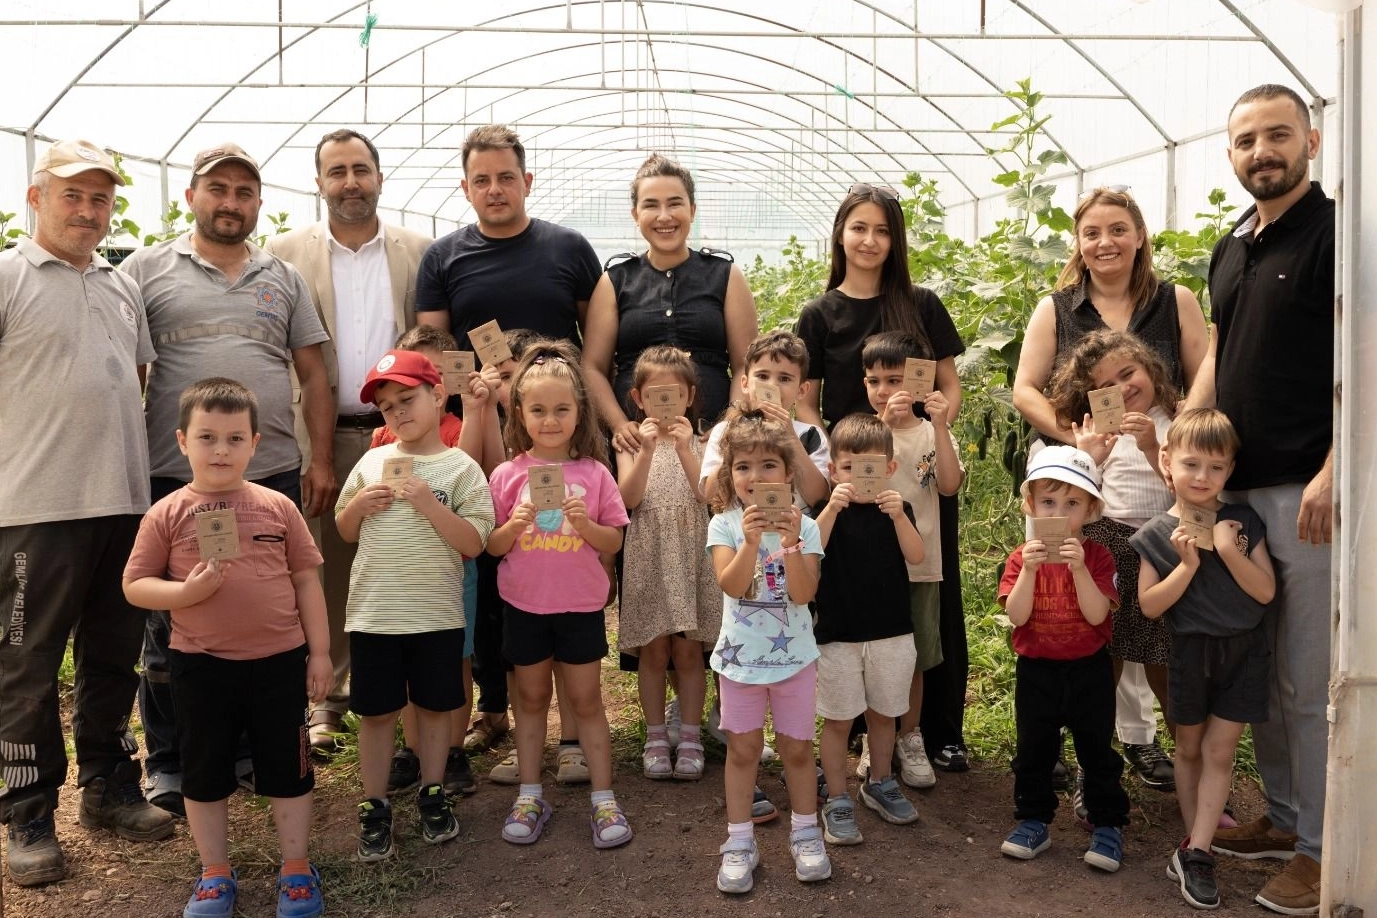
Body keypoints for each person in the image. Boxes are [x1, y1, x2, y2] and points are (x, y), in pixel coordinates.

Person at [121, 142, 333, 817]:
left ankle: (245, 750)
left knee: (261, 614)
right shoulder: (145, 270)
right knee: (172, 625)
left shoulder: (282, 278)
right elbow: (128, 374)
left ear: (259, 203)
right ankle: (170, 760)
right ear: (191, 197)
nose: (231, 202)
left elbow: (313, 374)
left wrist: (320, 458)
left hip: (269, 476)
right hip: (173, 479)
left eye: (244, 192)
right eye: (218, 189)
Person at [0, 138, 174, 886]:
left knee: (112, 655)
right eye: (72, 194)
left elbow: (134, 378)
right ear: (35, 198)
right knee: (27, 664)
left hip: (124, 502)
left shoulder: (119, 284)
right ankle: (28, 811)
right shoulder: (8, 276)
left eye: (100, 198)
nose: (87, 210)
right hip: (33, 508)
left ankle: (108, 785)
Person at [1187, 83, 1334, 916]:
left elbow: (1367, 356)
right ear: (1230, 154)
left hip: (1305, 494)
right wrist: (1185, 436)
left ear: (1310, 141)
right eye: (1245, 140)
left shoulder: (1337, 235)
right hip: (1237, 493)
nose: (1260, 152)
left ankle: (1321, 849)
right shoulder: (1232, 243)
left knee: (1305, 679)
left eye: (1276, 135)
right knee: (1260, 667)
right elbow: (1220, 348)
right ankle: (1282, 816)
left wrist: (1334, 470)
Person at [1014, 183, 1208, 790]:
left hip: (1157, 484)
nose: (1106, 242)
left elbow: (1204, 374)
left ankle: (1143, 743)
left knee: (1155, 633)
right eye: (1092, 232)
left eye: (1118, 229)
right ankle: (1074, 745)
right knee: (1084, 621)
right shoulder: (1057, 307)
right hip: (1084, 480)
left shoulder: (1174, 300)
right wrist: (1073, 445)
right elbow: (1025, 388)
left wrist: (1181, 436)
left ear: (1140, 235)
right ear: (1078, 242)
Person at [123, 379, 331, 918]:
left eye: (235, 438)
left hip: (280, 663)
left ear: (255, 444)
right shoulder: (166, 513)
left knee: (290, 769)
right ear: (182, 440)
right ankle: (215, 872)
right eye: (207, 437)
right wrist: (184, 594)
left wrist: (321, 653)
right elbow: (135, 585)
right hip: (200, 666)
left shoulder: (278, 506)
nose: (221, 450)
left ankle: (296, 868)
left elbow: (306, 580)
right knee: (204, 772)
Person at [263, 128, 434, 754]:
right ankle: (328, 697)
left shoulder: (418, 251)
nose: (350, 182)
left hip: (401, 434)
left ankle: (405, 691)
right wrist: (315, 453)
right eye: (337, 172)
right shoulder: (283, 254)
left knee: (405, 555)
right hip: (325, 432)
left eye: (361, 169)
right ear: (319, 183)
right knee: (327, 562)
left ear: (380, 178)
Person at [794, 182, 971, 774]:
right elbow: (807, 400)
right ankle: (852, 726)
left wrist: (927, 427)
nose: (869, 241)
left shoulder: (920, 305)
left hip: (913, 473)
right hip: (850, 482)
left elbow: (950, 387)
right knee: (852, 594)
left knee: (922, 602)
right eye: (859, 228)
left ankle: (927, 732)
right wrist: (834, 456)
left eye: (882, 230)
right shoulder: (820, 314)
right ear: (840, 235)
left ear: (895, 240)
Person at [335, 350, 495, 861]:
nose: (398, 412)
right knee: (377, 714)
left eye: (407, 399)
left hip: (436, 616)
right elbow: (343, 528)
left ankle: (433, 791)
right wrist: (359, 507)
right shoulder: (370, 463)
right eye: (387, 407)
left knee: (434, 709)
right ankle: (374, 805)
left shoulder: (462, 467)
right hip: (375, 616)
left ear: (438, 395)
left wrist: (428, 503)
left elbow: (474, 542)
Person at [484, 341, 632, 849]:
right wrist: (513, 525)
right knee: (530, 699)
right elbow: (492, 546)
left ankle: (604, 798)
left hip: (580, 606)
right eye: (539, 410)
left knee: (586, 700)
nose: (550, 420)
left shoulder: (595, 473)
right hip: (525, 605)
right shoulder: (506, 475)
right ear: (520, 413)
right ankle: (530, 795)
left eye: (562, 409)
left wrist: (585, 525)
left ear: (579, 412)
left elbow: (614, 540)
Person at [1132, 409, 1277, 909]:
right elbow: (1150, 605)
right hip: (1191, 653)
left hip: (1244, 652)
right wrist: (1189, 565)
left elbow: (1264, 592)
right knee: (1189, 748)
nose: (1202, 477)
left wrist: (1229, 550)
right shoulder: (1156, 533)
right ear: (1167, 462)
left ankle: (1197, 852)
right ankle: (1195, 841)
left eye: (1216, 467)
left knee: (1219, 751)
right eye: (1191, 464)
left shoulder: (1244, 523)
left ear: (1230, 469)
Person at [1046, 329, 1181, 809]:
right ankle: (1094, 769)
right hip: (1109, 546)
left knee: (1167, 665)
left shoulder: (1178, 421)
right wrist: (1089, 457)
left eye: (1129, 373)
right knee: (1102, 664)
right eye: (1106, 385)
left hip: (1165, 549)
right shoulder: (1097, 433)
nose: (1122, 388)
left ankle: (1193, 773)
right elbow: (1079, 504)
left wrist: (1151, 446)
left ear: (1150, 369)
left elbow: (1186, 490)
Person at [369, 325, 493, 799]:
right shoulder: (383, 436)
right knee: (406, 663)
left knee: (454, 659)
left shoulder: (458, 429)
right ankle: (414, 749)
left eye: (435, 374)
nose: (403, 407)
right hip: (400, 571)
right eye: (393, 398)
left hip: (450, 567)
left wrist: (478, 410)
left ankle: (452, 750)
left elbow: (468, 471)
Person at [706, 414, 828, 894]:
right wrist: (752, 541)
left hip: (795, 662)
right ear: (730, 474)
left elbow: (803, 594)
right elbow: (732, 584)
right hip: (740, 663)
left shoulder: (808, 528)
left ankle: (806, 833)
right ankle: (740, 841)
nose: (755, 477)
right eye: (743, 467)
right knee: (743, 750)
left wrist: (791, 544)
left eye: (768, 465)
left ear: (789, 473)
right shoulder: (724, 525)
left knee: (797, 749)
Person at [997, 446, 1129, 873]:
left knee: (1096, 749)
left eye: (1072, 503)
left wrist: (1079, 570)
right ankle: (1033, 821)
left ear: (1091, 510)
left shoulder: (1099, 557)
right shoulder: (1021, 557)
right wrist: (1030, 571)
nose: (1059, 513)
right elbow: (1017, 616)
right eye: (1049, 502)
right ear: (1031, 505)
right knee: (1034, 749)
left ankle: (1107, 823)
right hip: (1037, 669)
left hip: (1089, 669)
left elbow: (1096, 614)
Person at [583, 153, 758, 453]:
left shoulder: (726, 275)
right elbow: (593, 367)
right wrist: (619, 425)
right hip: (637, 446)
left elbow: (746, 364)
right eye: (651, 205)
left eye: (675, 203)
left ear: (692, 210)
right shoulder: (615, 281)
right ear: (635, 214)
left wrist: (729, 423)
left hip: (712, 441)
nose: (664, 216)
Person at [813, 414, 926, 844]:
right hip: (837, 635)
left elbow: (916, 556)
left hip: (891, 632)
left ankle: (880, 781)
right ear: (833, 470)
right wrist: (831, 508)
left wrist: (899, 517)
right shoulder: (824, 513)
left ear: (889, 469)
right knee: (838, 720)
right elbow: (809, 552)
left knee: (883, 714)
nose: (859, 477)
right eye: (848, 467)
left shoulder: (898, 509)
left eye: (871, 468)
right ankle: (837, 797)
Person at [861, 332, 964, 789]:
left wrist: (940, 425)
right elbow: (856, 481)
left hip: (921, 568)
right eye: (874, 381)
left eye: (895, 380)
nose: (885, 391)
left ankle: (911, 735)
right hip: (870, 568)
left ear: (919, 383)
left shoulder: (931, 433)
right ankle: (874, 737)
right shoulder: (863, 433)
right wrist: (882, 427)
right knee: (871, 655)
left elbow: (948, 485)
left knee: (916, 657)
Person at [614, 346, 718, 780]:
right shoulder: (629, 443)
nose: (665, 403)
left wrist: (684, 447)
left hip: (692, 552)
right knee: (654, 650)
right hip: (650, 553)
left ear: (689, 396)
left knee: (689, 650)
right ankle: (656, 737)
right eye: (655, 395)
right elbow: (629, 498)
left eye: (674, 394)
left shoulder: (705, 442)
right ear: (638, 399)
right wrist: (646, 449)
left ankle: (691, 737)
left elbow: (707, 495)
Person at [415, 124, 601, 347]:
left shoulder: (571, 248)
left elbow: (599, 348)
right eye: (481, 180)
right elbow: (434, 354)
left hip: (561, 372)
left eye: (506, 178)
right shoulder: (440, 257)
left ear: (527, 183)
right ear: (466, 189)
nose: (494, 190)